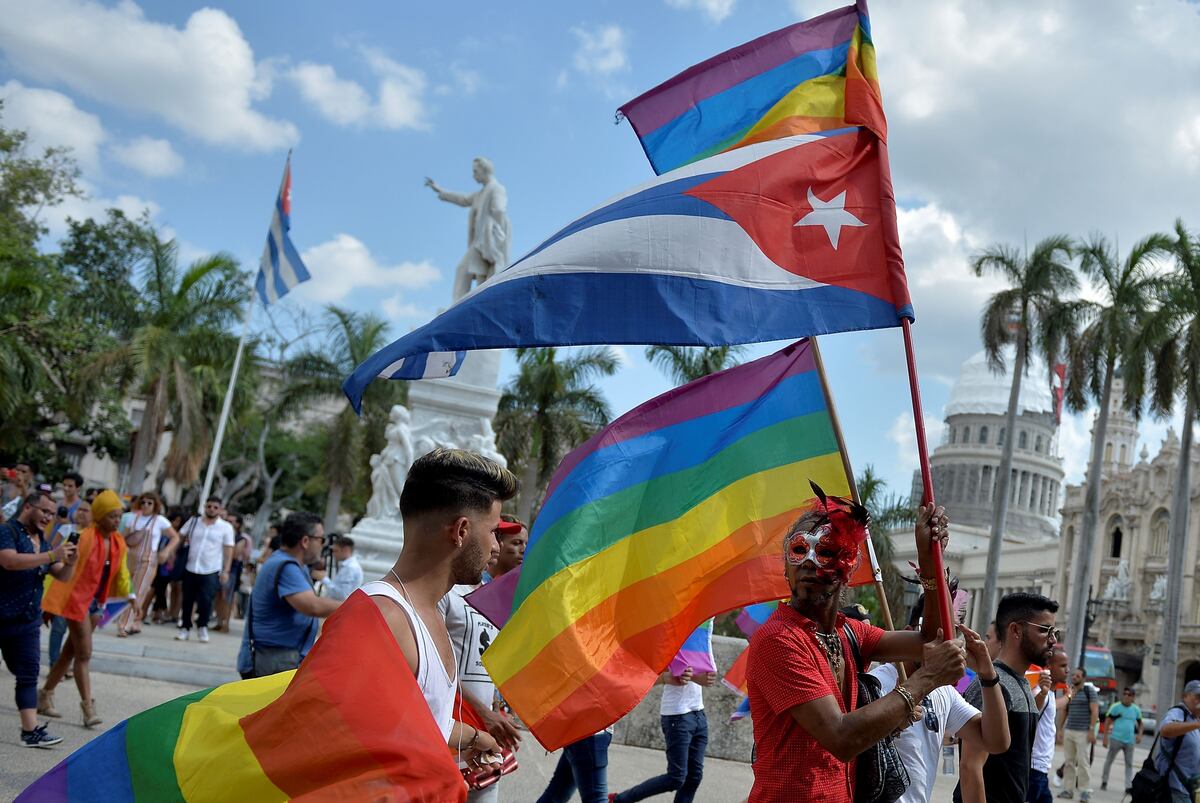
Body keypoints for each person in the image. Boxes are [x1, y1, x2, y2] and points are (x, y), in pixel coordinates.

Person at [746, 490, 967, 803]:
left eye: (825, 552)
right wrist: (927, 678)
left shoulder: (850, 634)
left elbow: (931, 639)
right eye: (798, 550)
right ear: (785, 568)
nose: (808, 563)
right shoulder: (778, 639)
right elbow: (841, 737)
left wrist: (930, 564)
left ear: (848, 568)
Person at [362, 448, 516, 774]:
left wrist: (476, 738)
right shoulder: (382, 619)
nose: (496, 547)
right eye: (491, 532)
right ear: (461, 531)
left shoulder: (427, 613)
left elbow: (417, 720)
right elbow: (349, 745)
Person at [869, 587, 1010, 803]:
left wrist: (988, 674)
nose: (942, 644)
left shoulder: (944, 692)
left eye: (950, 633)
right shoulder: (875, 684)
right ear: (908, 633)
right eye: (933, 633)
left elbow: (996, 742)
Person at [439, 519, 525, 803]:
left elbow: (490, 662)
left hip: (486, 737)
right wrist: (483, 713)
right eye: (494, 536)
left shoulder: (495, 598)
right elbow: (438, 670)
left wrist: (500, 708)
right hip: (449, 734)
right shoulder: (445, 596)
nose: (497, 546)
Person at [953, 592, 1060, 803]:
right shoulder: (993, 685)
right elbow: (970, 768)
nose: (1053, 640)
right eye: (1044, 630)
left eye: (1055, 632)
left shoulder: (1020, 683)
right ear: (1016, 630)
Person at [39, 489, 132, 728]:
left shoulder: (118, 542)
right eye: (112, 516)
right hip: (76, 600)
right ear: (100, 516)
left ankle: (45, 693)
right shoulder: (83, 537)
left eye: (119, 516)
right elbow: (64, 570)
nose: (117, 520)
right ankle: (88, 707)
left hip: (97, 603)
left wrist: (130, 595)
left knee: (70, 652)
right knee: (84, 654)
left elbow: (120, 572)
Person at [0, 491, 78, 746]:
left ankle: (30, 730)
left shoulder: (41, 540)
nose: (48, 517)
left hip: (27, 620)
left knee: (28, 673)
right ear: (28, 507)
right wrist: (52, 555)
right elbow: (9, 561)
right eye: (44, 511)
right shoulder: (7, 531)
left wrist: (69, 562)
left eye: (52, 514)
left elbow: (62, 576)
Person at [236, 512, 340, 678]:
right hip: (275, 658)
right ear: (305, 541)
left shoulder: (289, 563)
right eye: (321, 539)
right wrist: (355, 605)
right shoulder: (286, 567)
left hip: (278, 655)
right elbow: (312, 606)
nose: (323, 545)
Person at [609, 662, 716, 803]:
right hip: (677, 715)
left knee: (694, 777)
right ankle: (619, 800)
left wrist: (707, 675)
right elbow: (646, 672)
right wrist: (691, 677)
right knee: (676, 778)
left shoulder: (700, 641)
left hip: (698, 712)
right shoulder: (672, 642)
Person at [117, 491, 179, 636]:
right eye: (143, 502)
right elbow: (121, 536)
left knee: (137, 591)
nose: (146, 505)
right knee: (127, 590)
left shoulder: (160, 521)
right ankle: (135, 621)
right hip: (129, 556)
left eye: (149, 503)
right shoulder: (133, 518)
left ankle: (124, 624)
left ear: (155, 505)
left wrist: (166, 551)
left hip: (148, 559)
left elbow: (175, 537)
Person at [176, 497, 234, 643]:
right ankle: (185, 627)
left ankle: (202, 627)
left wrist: (226, 570)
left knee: (206, 601)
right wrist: (173, 553)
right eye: (209, 506)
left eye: (215, 507)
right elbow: (180, 536)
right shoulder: (194, 521)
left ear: (220, 509)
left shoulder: (225, 527)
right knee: (187, 599)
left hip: (211, 569)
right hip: (191, 566)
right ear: (204, 507)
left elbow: (228, 549)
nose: (212, 509)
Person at [47, 499, 92, 669]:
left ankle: (64, 666)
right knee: (58, 628)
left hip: (82, 588)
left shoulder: (94, 535)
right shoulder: (66, 529)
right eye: (79, 509)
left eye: (86, 510)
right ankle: (54, 664)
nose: (81, 513)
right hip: (62, 584)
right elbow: (51, 551)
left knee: (76, 632)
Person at [1028, 647, 1069, 803]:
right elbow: (1033, 713)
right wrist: (1043, 693)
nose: (1068, 670)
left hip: (1041, 769)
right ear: (1049, 667)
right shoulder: (1041, 692)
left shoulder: (1049, 694)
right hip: (1034, 767)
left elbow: (1058, 704)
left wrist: (1069, 695)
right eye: (1063, 666)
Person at [1057, 667, 1099, 800]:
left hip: (1083, 732)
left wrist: (1092, 730)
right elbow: (1064, 710)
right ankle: (1068, 790)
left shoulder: (1089, 691)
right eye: (1073, 675)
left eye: (1077, 676)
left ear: (1083, 678)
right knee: (1069, 762)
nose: (1074, 677)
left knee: (1082, 762)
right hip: (1069, 730)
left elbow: (1095, 711)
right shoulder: (1070, 691)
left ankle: (1085, 791)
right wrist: (1060, 729)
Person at [1157, 680, 1200, 803]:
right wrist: (1196, 724)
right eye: (1197, 696)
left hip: (1192, 787)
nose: (1199, 701)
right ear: (1185, 696)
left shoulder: (1195, 718)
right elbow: (1165, 730)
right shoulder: (1178, 712)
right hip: (1176, 788)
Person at [1100, 686, 1143, 794]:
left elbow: (1140, 723)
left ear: (1133, 697)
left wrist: (1139, 735)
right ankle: (1104, 781)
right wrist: (1105, 738)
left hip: (1129, 741)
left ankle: (1128, 786)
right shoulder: (1115, 707)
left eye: (1129, 694)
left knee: (1129, 764)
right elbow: (1107, 721)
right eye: (1125, 693)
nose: (1126, 696)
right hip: (1116, 739)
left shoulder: (1136, 709)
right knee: (1109, 761)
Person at [214, 512, 250, 630]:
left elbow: (234, 554)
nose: (228, 523)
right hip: (218, 567)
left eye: (231, 521)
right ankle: (219, 622)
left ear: (238, 524)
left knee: (227, 596)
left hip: (232, 570)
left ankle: (226, 623)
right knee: (218, 596)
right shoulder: (221, 534)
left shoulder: (241, 539)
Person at [325, 536, 364, 602]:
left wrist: (324, 580)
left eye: (336, 551)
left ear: (346, 550)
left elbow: (343, 594)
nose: (333, 554)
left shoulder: (350, 568)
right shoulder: (348, 566)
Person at [49, 471, 84, 541]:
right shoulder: (59, 503)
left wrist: (67, 523)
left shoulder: (81, 506)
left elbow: (81, 529)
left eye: (70, 486)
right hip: (52, 540)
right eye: (64, 485)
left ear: (78, 488)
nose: (66, 488)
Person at [491, 515, 527, 579]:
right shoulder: (474, 584)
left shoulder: (520, 586)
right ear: (497, 542)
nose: (524, 550)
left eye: (527, 544)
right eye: (516, 543)